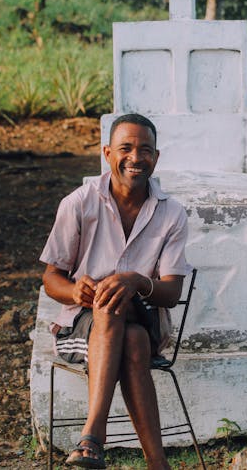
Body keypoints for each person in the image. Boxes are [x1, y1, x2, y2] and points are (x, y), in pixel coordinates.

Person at [40, 113, 190, 469]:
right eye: (126, 148)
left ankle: (92, 437)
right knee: (125, 329)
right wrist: (77, 291)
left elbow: (170, 293)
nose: (136, 158)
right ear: (107, 153)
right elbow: (51, 279)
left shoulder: (172, 213)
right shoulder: (78, 203)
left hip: (146, 315)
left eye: (145, 150)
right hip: (82, 328)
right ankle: (158, 464)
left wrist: (136, 281)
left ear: (156, 157)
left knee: (116, 301)